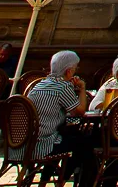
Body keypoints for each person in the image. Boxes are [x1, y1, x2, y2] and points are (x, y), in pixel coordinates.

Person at [26, 51, 95, 183]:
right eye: (75, 68)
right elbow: (80, 112)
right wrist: (82, 88)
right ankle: (65, 179)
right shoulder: (63, 86)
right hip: (45, 144)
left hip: (29, 142)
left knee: (71, 140)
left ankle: (46, 180)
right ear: (69, 71)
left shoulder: (39, 85)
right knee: (85, 145)